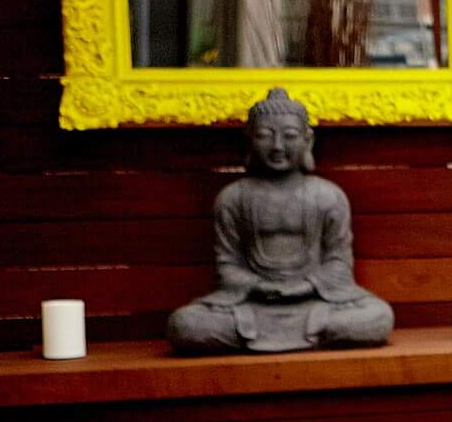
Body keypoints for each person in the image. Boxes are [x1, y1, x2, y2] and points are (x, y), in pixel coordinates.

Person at [166, 87, 393, 353]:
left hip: (316, 303)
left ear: (308, 141)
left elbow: (339, 262)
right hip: (252, 305)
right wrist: (259, 287)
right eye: (264, 136)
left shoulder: (328, 196)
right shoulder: (233, 198)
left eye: (290, 136)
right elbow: (226, 265)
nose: (277, 147)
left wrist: (304, 287)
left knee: (377, 317)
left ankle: (296, 333)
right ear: (249, 141)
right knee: (185, 325)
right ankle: (304, 337)